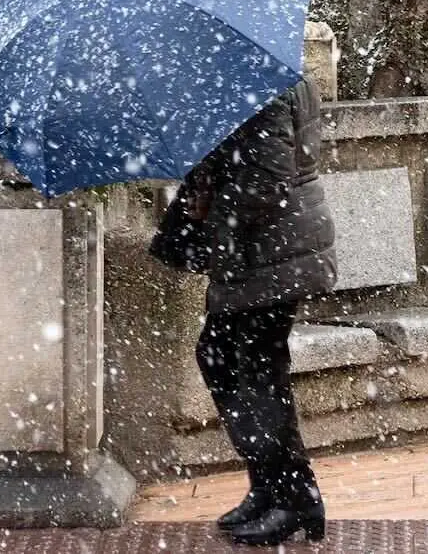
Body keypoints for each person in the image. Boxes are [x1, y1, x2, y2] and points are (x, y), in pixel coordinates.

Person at [150, 78, 337, 546]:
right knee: (225, 358)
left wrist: (208, 218)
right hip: (262, 251)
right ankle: (273, 486)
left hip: (275, 250)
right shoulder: (249, 80)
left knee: (251, 368)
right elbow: (242, 165)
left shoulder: (263, 85)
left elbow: (266, 180)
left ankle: (294, 498)